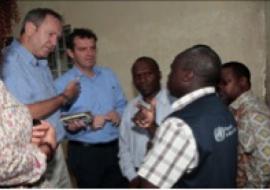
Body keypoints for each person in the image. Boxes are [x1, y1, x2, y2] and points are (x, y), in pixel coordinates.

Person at [134, 45, 238, 188]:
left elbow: (149, 186)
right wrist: (152, 127)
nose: (169, 76)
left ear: (187, 75)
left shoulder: (178, 125)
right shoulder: (222, 109)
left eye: (172, 70)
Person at [2, 8, 80, 188]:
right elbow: (25, 112)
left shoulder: (41, 61)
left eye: (57, 37)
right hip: (33, 154)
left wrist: (66, 122)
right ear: (30, 29)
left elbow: (46, 110)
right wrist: (64, 98)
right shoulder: (9, 62)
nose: (54, 43)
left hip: (55, 149)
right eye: (50, 34)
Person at [54, 28, 127, 188]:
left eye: (92, 48)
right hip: (85, 155)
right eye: (82, 49)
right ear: (71, 53)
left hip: (116, 149)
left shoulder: (109, 75)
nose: (89, 53)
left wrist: (118, 113)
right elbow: (58, 123)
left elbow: (123, 104)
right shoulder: (61, 84)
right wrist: (77, 127)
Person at [118, 56, 172, 187]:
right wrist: (132, 177)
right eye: (138, 76)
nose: (143, 80)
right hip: (137, 176)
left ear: (159, 75)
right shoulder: (130, 108)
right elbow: (123, 147)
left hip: (168, 175)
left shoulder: (174, 104)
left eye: (148, 74)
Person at [218, 61, 270, 188]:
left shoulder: (252, 113)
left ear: (242, 82)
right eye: (218, 84)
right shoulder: (236, 110)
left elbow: (267, 161)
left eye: (225, 83)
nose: (220, 88)